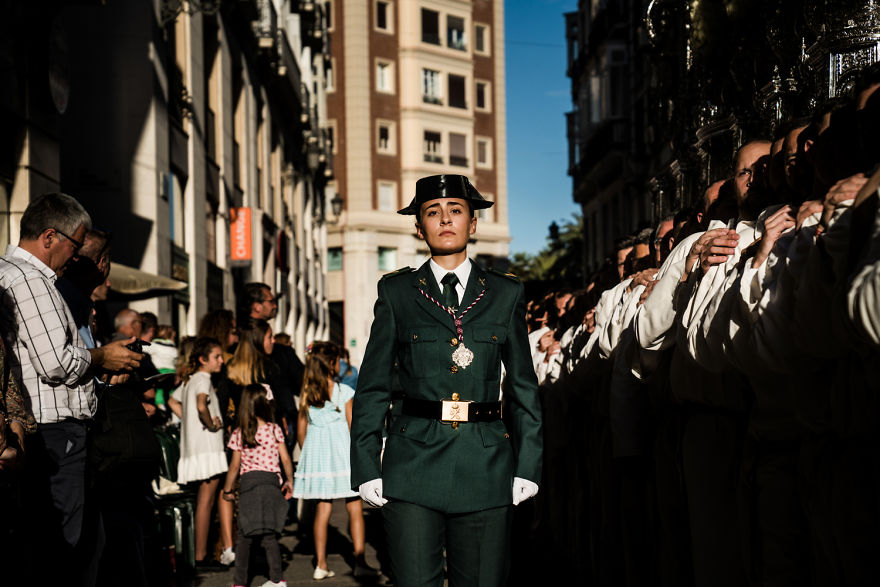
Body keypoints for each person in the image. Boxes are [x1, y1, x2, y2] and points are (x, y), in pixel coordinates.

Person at [351, 174, 543, 586]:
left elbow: (523, 387)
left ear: (473, 223)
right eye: (432, 213)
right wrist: (366, 465)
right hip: (412, 465)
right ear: (419, 228)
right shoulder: (397, 292)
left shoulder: (505, 293)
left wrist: (528, 465)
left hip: (486, 465)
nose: (445, 220)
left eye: (456, 210)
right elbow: (372, 387)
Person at [0, 193, 142, 583]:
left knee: (69, 545)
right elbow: (57, 363)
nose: (76, 255)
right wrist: (103, 358)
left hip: (51, 431)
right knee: (65, 549)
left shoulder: (26, 277)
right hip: (55, 431)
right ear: (49, 236)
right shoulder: (30, 279)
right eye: (75, 245)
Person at [295, 341, 373, 579]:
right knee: (354, 507)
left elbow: (301, 432)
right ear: (330, 364)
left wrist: (310, 452)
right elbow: (352, 427)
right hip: (343, 457)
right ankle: (359, 561)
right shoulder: (345, 392)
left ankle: (320, 564)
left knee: (322, 511)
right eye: (338, 360)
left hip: (320, 460)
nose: (341, 364)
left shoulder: (307, 395)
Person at [222, 384, 294, 587]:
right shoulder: (275, 430)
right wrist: (290, 481)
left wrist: (228, 490)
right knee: (269, 535)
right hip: (271, 484)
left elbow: (235, 466)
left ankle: (240, 582)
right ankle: (277, 579)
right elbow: (286, 460)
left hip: (249, 486)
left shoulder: (240, 433)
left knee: (245, 536)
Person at [167, 337, 229, 570]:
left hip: (196, 446)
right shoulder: (203, 379)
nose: (221, 361)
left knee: (204, 499)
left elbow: (173, 401)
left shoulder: (190, 380)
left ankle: (200, 554)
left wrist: (190, 421)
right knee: (207, 500)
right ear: (203, 359)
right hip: (207, 447)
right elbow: (202, 405)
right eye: (217, 357)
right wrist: (210, 425)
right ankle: (201, 556)